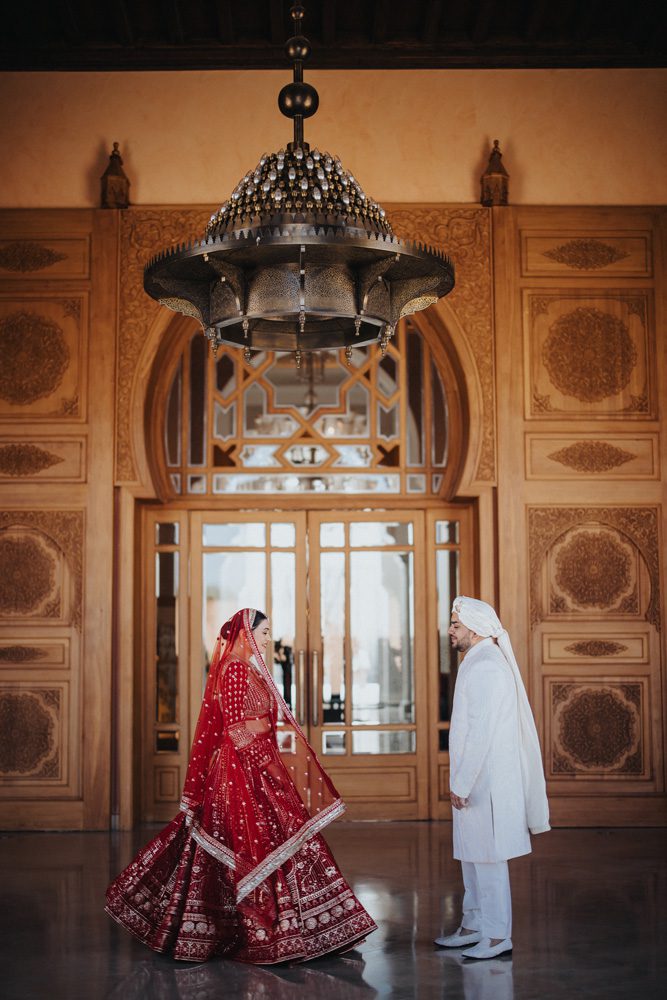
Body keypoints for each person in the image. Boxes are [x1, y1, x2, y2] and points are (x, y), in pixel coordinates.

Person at [106, 608, 376, 963]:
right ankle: (259, 930)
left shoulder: (249, 668)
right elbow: (235, 728)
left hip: (257, 764)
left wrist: (271, 762)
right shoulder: (234, 669)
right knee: (250, 844)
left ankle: (308, 928)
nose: (267, 640)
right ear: (247, 633)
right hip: (240, 772)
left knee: (278, 840)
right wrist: (267, 767)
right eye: (264, 633)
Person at [434, 596, 550, 960]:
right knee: (472, 855)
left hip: (485, 783)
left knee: (488, 859)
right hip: (475, 780)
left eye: (455, 624)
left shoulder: (487, 667)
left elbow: (481, 733)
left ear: (474, 628)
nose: (450, 630)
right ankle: (473, 926)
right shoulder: (477, 661)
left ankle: (498, 936)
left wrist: (463, 782)